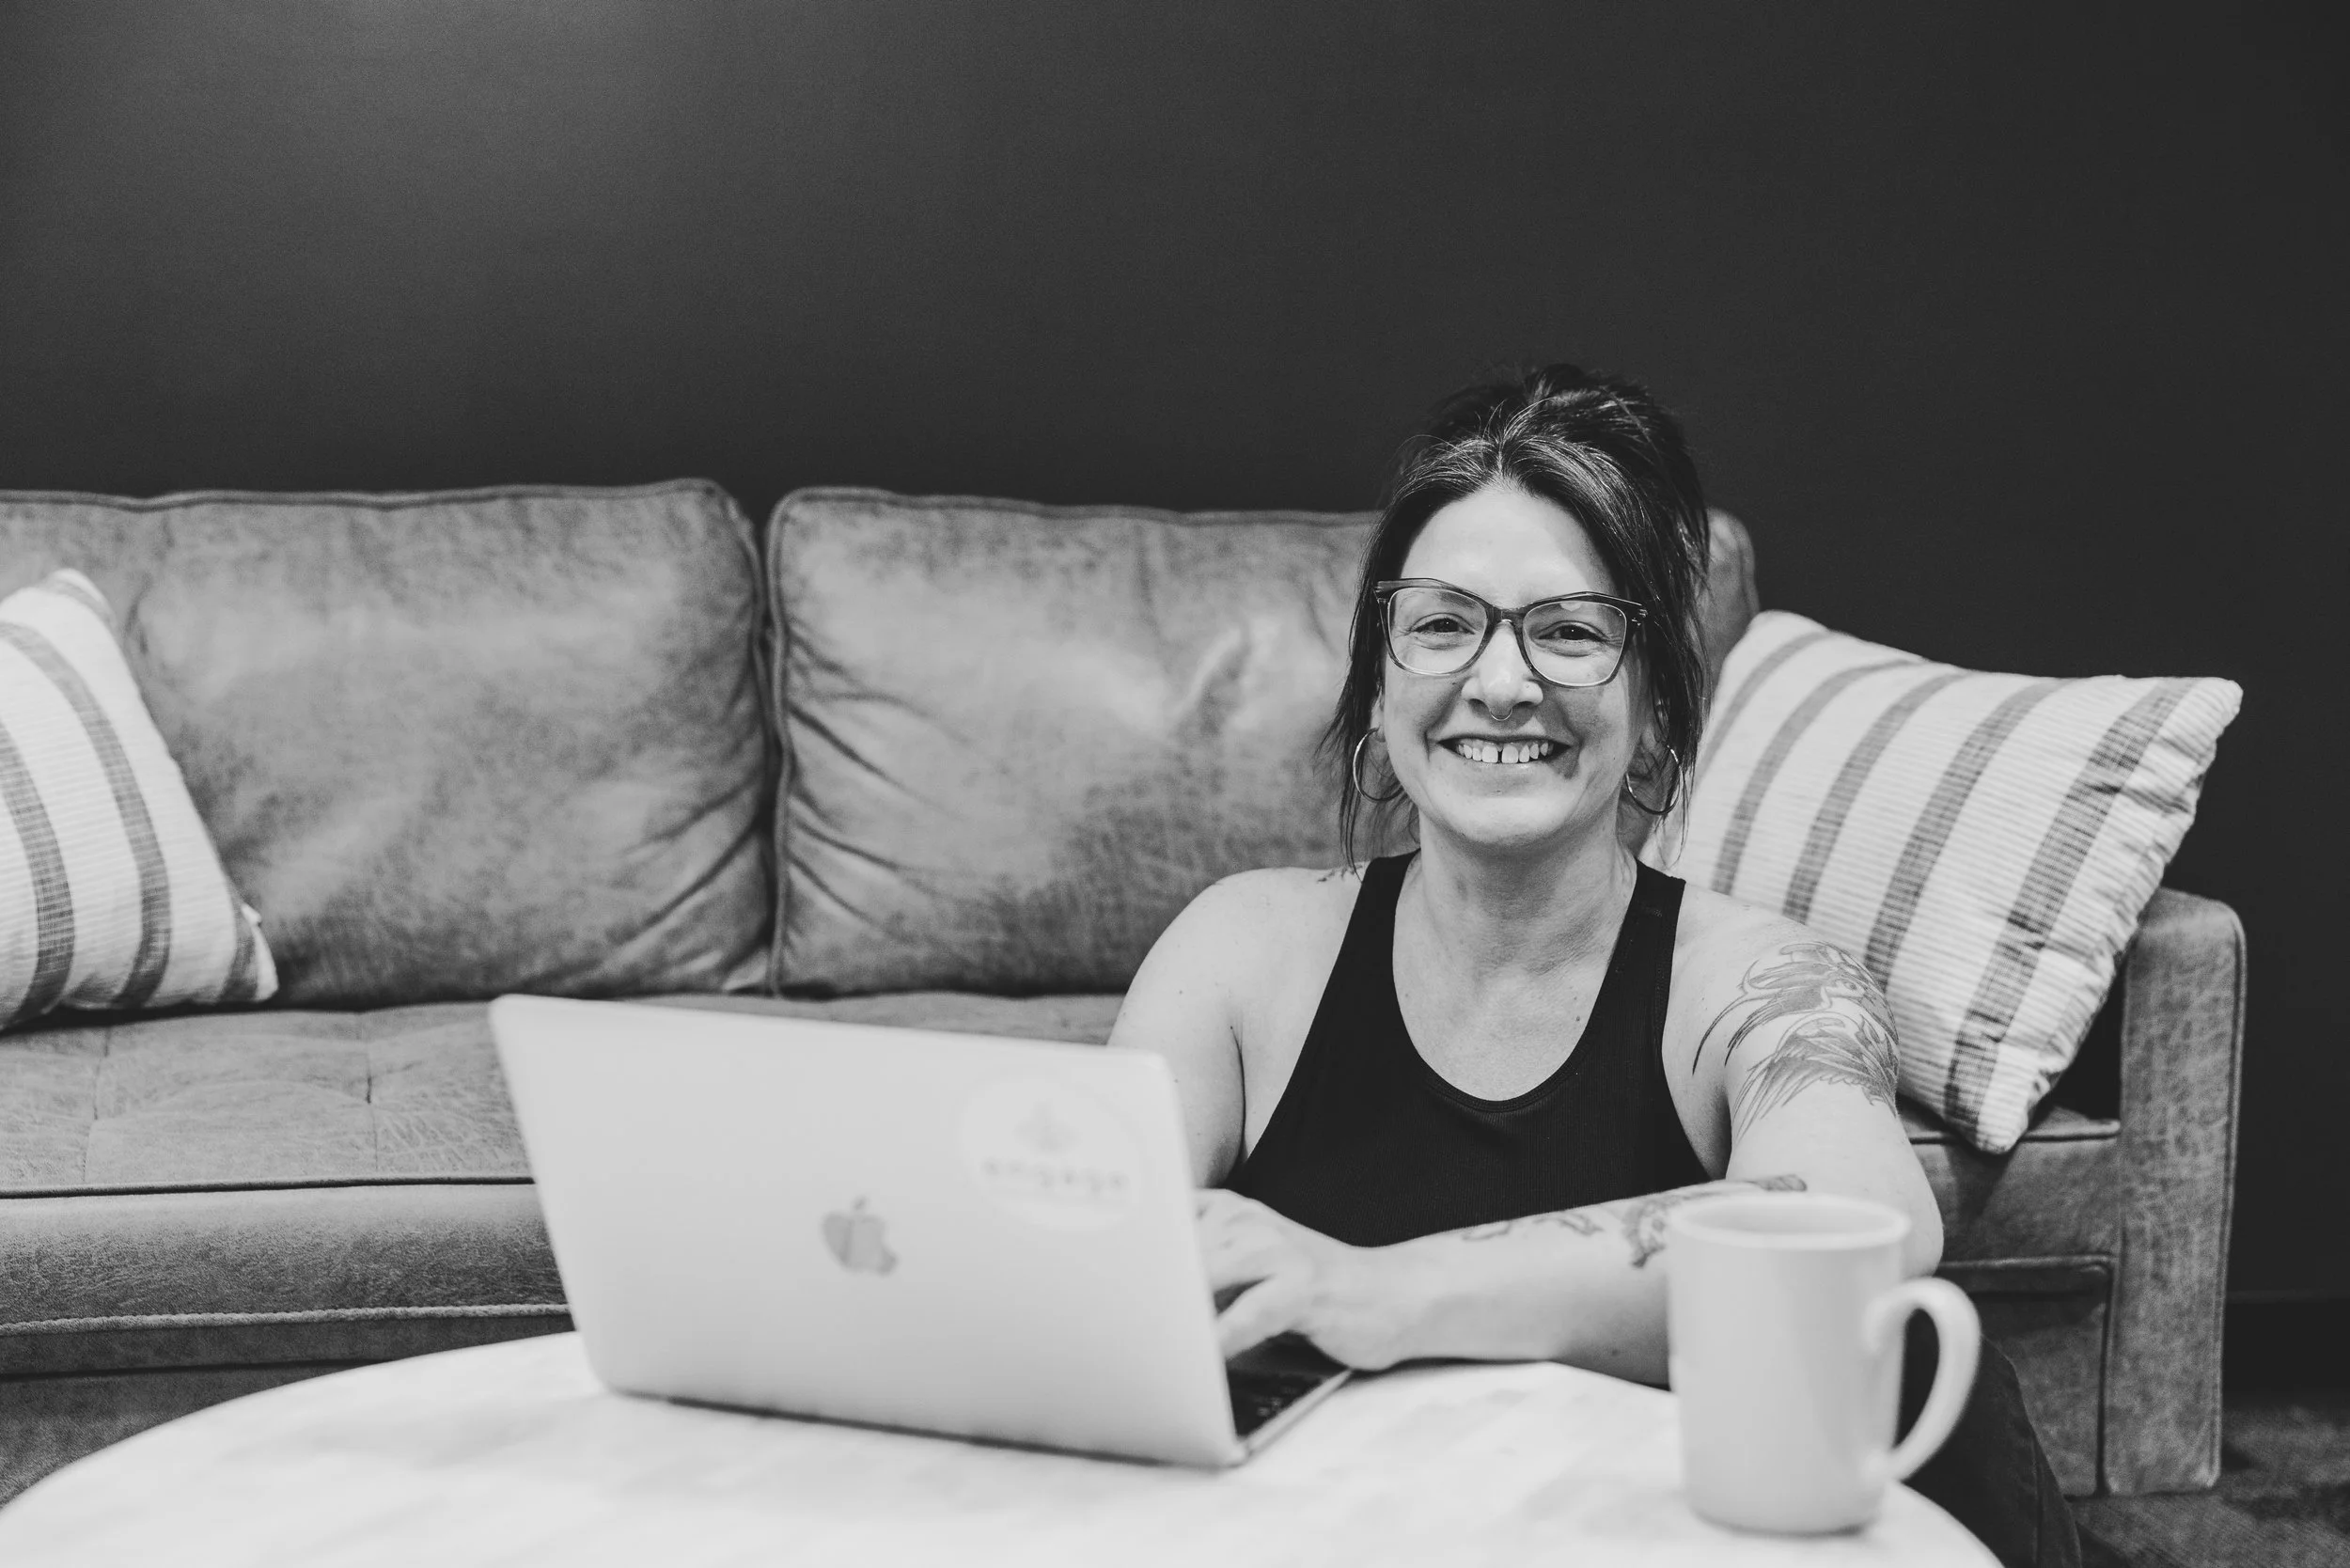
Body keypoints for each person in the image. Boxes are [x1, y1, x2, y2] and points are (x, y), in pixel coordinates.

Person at [1106, 364, 2078, 1566]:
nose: (1500, 681)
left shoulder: (1758, 979)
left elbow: (1860, 1227)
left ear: (1658, 712)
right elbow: (1089, 1266)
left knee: (1931, 1373)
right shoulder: (1242, 951)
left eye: (1568, 632)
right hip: (1346, 1533)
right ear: (1379, 688)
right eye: (1442, 624)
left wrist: (1373, 1293)